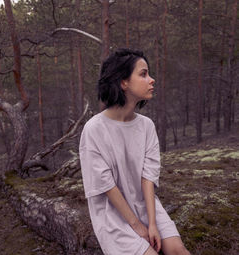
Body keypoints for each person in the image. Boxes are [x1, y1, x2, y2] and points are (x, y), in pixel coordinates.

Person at [79, 49, 190, 255]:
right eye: (143, 74)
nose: (151, 80)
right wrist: (136, 225)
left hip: (145, 205)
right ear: (123, 82)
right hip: (112, 213)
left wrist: (152, 223)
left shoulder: (147, 126)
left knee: (178, 250)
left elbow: (148, 177)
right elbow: (105, 184)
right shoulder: (94, 129)